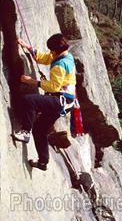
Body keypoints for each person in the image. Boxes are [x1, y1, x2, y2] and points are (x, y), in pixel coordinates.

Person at [11, 33, 76, 171]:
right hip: (65, 101)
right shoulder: (66, 56)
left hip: (60, 100)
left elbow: (53, 86)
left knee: (29, 101)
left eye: (51, 50)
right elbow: (46, 58)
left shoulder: (60, 64)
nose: (50, 52)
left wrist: (32, 82)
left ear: (56, 50)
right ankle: (43, 162)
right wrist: (28, 47)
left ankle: (25, 132)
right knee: (40, 130)